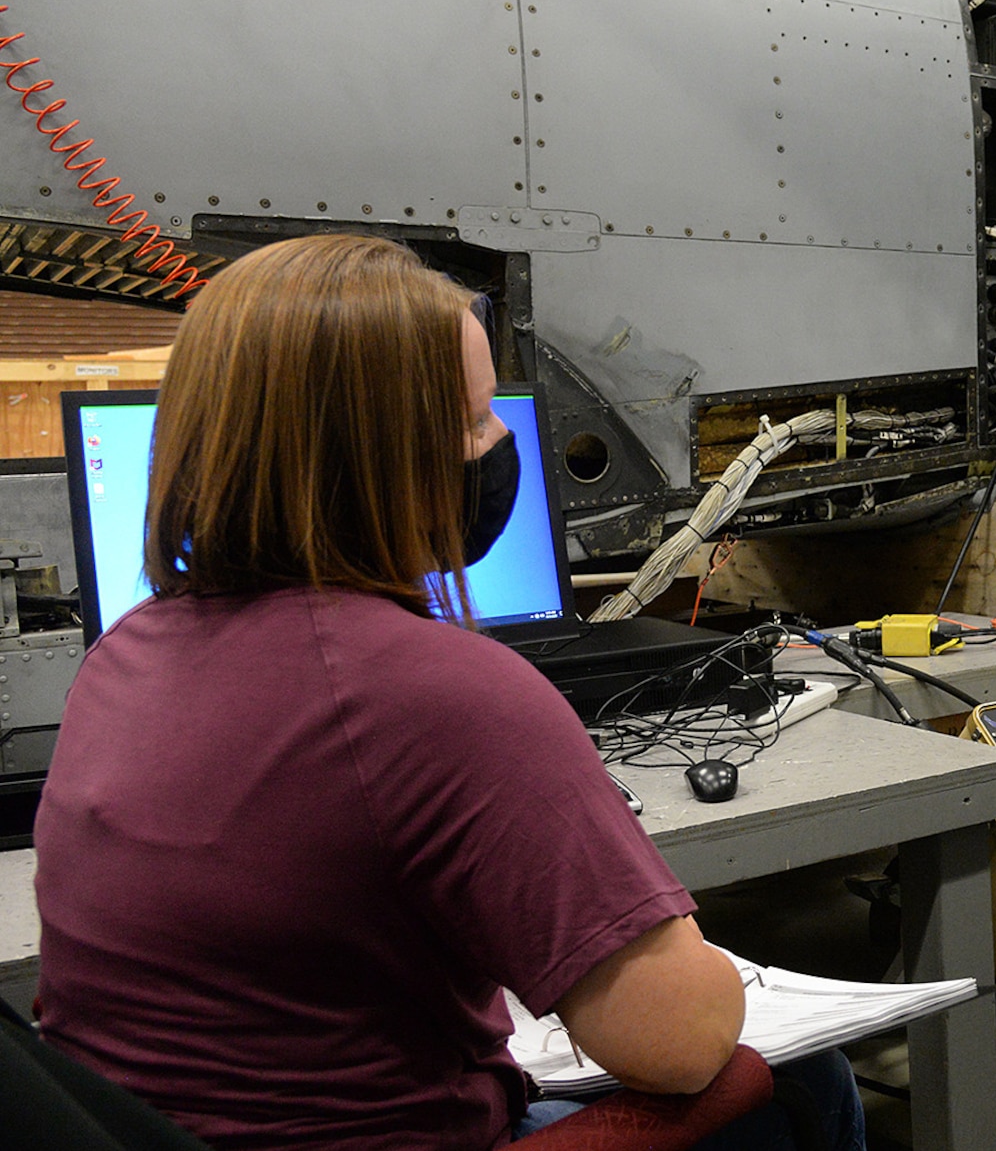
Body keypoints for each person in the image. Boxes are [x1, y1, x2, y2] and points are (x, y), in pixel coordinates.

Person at [33, 236, 864, 1150]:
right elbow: (678, 1043)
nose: (501, 444)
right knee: (798, 1078)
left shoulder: (120, 657)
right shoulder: (441, 694)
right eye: (473, 422)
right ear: (372, 459)